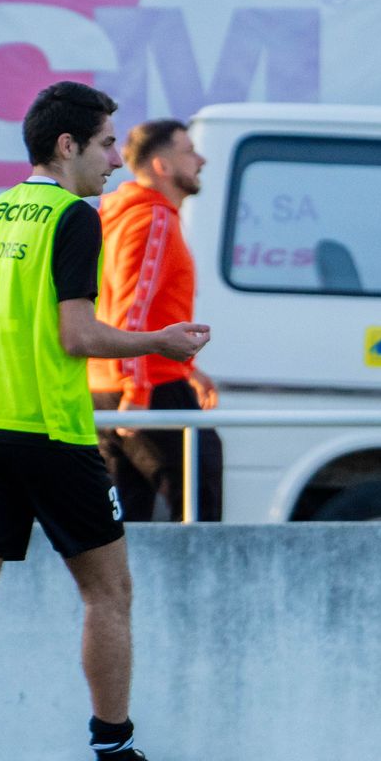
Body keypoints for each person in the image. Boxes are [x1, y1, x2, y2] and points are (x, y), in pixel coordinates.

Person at [0, 81, 208, 761]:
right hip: (48, 428)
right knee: (109, 591)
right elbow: (76, 335)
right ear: (67, 145)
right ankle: (115, 759)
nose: (117, 157)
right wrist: (160, 342)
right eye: (108, 143)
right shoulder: (73, 217)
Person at [89, 118, 222, 523]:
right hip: (146, 386)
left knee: (127, 519)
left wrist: (189, 369)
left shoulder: (118, 214)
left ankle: (123, 589)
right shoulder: (154, 218)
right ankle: (198, 588)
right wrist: (139, 390)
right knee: (200, 501)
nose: (200, 160)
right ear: (162, 165)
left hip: (109, 382)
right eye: (189, 151)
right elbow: (134, 309)